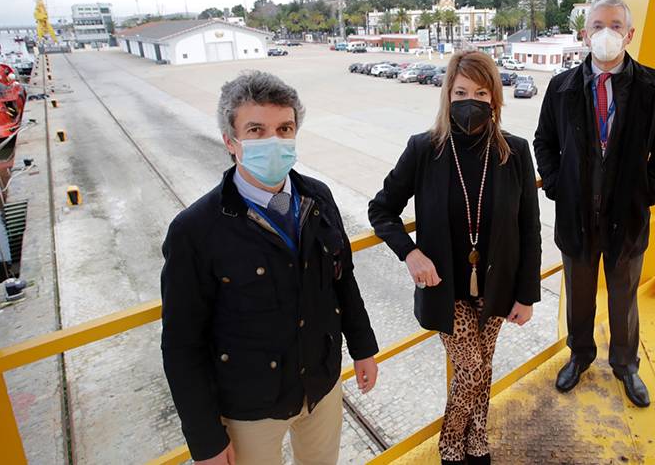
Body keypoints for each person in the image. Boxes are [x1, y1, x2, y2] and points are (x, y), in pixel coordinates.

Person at [160, 72, 380, 465]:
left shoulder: (318, 197)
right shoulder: (195, 230)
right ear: (231, 141)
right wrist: (205, 439)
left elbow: (343, 281)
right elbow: (181, 344)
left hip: (321, 386)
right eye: (256, 130)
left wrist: (364, 349)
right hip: (249, 408)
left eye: (284, 129)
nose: (273, 141)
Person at [369, 51, 541, 465]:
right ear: (447, 94)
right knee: (471, 370)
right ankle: (451, 446)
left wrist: (527, 294)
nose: (470, 101)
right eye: (461, 91)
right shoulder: (424, 149)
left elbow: (529, 228)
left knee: (484, 366)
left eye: (481, 92)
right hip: (445, 289)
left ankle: (477, 441)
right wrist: (409, 253)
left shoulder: (515, 152)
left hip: (498, 286)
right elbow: (382, 209)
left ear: (495, 98)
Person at [533, 0, 655, 407]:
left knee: (624, 295)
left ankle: (626, 365)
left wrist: (649, 190)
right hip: (576, 214)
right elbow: (544, 141)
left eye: (615, 25)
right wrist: (557, 185)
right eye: (598, 25)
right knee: (579, 295)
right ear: (585, 34)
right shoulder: (561, 87)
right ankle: (579, 356)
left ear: (629, 34)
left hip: (627, 217)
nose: (606, 33)